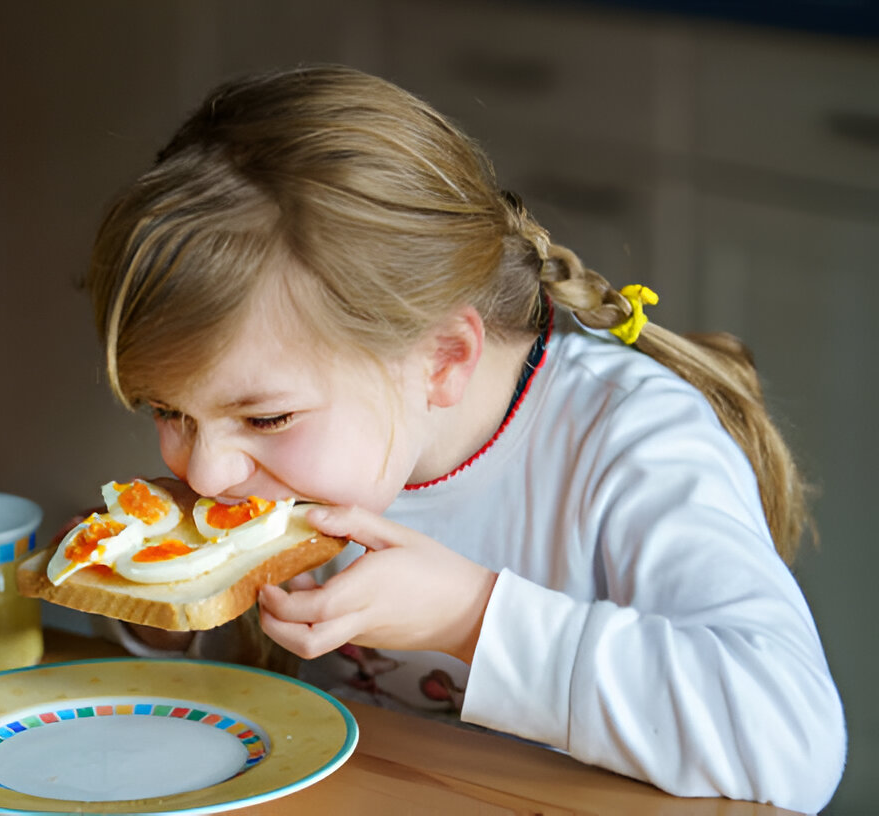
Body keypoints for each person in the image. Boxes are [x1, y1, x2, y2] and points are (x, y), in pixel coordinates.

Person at [80, 64, 845, 812]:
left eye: (266, 418)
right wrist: (162, 611)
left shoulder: (627, 441)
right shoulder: (298, 451)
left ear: (442, 361)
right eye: (167, 410)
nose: (205, 472)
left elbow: (795, 747)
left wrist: (470, 618)